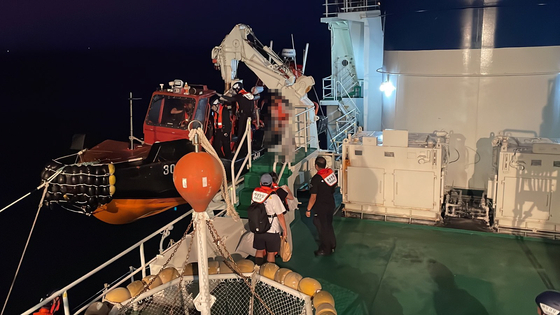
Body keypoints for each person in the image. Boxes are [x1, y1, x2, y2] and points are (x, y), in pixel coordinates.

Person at [252, 173, 288, 265]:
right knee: (271, 253)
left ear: (260, 183)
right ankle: (268, 273)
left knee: (259, 250)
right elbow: (280, 215)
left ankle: (258, 268)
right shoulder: (274, 197)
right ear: (271, 183)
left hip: (258, 228)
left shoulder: (254, 194)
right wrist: (284, 229)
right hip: (272, 229)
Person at [305, 157, 338, 256]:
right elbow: (334, 187)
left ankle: (325, 248)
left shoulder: (316, 179)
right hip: (331, 203)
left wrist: (308, 209)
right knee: (328, 224)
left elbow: (313, 197)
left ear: (316, 166)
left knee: (321, 226)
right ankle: (332, 244)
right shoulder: (330, 174)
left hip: (321, 206)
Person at [221, 80, 255, 153]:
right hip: (249, 117)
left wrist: (221, 96)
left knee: (240, 133)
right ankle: (248, 149)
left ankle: (239, 150)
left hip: (243, 116)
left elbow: (231, 99)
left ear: (237, 89)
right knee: (247, 133)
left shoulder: (240, 95)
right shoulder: (249, 94)